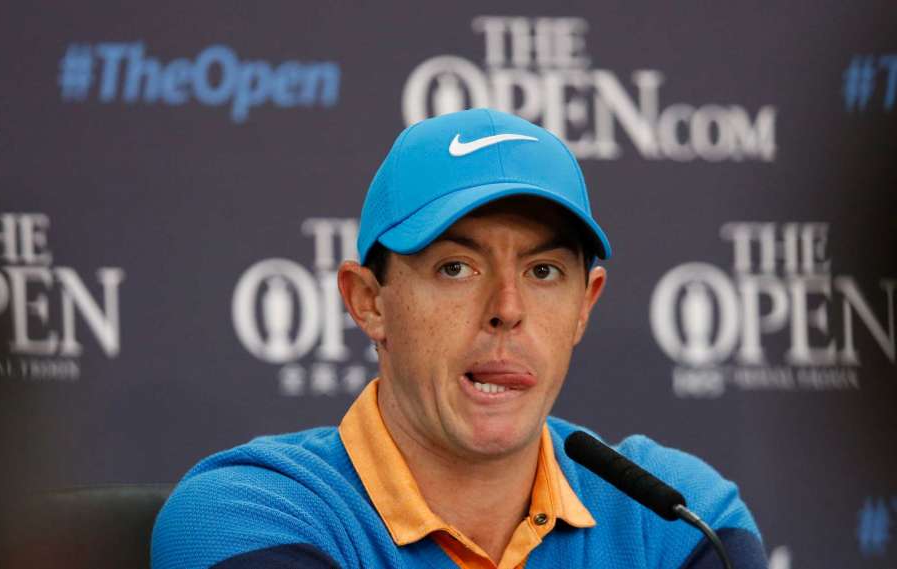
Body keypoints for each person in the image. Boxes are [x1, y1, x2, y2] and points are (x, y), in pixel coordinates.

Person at [151, 108, 767, 569]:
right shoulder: (248, 516)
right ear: (370, 303)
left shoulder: (679, 520)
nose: (506, 310)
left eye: (543, 272)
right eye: (456, 268)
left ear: (586, 305)